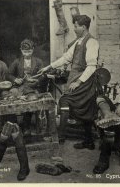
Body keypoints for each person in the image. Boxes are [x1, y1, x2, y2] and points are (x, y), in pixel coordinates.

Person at [38, 15, 101, 150]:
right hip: (75, 78)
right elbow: (66, 58)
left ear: (83, 27)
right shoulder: (78, 41)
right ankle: (84, 140)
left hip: (85, 81)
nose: (74, 28)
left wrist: (78, 82)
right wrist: (49, 67)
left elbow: (91, 66)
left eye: (76, 26)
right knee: (76, 106)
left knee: (76, 105)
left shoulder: (92, 42)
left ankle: (65, 137)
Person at [7, 39, 47, 135]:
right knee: (11, 98)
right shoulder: (17, 62)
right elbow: (8, 74)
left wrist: (37, 80)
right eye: (24, 52)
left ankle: (26, 127)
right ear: (21, 50)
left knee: (30, 102)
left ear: (33, 50)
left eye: (29, 51)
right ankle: (14, 127)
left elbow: (43, 75)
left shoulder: (38, 62)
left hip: (33, 87)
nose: (27, 54)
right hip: (20, 87)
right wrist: (15, 79)